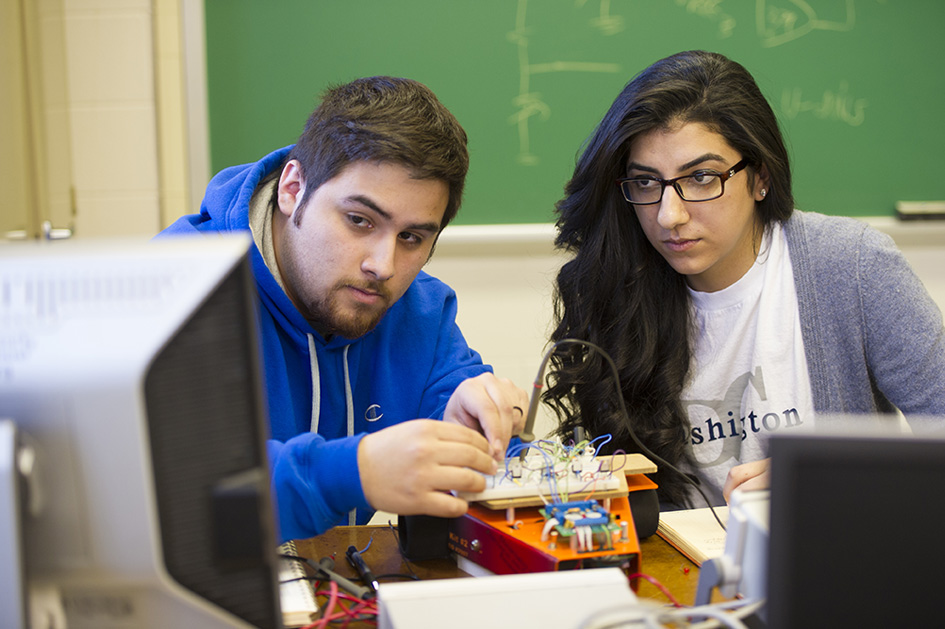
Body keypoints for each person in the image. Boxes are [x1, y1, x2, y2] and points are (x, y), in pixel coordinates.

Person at [544, 50, 945, 509]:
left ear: (761, 177)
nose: (668, 215)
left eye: (700, 177)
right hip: (685, 571)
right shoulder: (615, 284)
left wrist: (828, 481)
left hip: (833, 562)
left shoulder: (851, 267)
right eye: (646, 183)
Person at [159, 76, 528, 541]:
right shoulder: (178, 288)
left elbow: (477, 442)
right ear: (293, 188)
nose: (382, 265)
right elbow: (173, 493)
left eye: (412, 238)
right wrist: (357, 472)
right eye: (359, 220)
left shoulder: (421, 310)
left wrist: (477, 429)